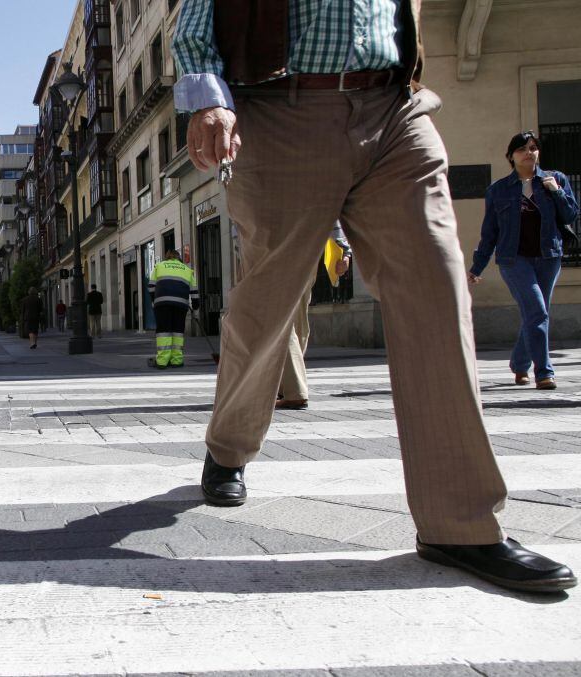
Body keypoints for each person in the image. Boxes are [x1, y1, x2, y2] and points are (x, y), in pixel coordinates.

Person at [174, 0, 574, 592]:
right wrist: (209, 98)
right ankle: (228, 448)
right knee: (267, 307)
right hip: (283, 111)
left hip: (396, 110)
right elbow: (195, 16)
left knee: (438, 292)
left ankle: (458, 523)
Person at [469, 132, 577, 391]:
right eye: (522, 149)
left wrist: (557, 192)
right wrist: (477, 267)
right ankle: (544, 372)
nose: (529, 152)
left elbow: (571, 213)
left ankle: (519, 363)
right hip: (514, 260)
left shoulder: (556, 179)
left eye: (533, 148)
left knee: (536, 313)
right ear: (511, 156)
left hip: (548, 257)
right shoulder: (498, 190)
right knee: (537, 311)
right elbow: (490, 233)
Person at [277, 223, 351, 410]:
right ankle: (286, 384)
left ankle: (294, 390)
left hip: (276, 249)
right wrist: (345, 251)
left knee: (279, 321)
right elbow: (332, 208)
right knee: (297, 319)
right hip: (307, 251)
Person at [147, 251, 199, 368]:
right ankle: (176, 360)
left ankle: (162, 361)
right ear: (178, 258)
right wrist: (195, 306)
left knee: (164, 332)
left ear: (167, 257)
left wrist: (154, 299)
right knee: (178, 332)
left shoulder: (159, 266)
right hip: (181, 304)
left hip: (162, 303)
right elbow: (194, 291)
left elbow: (151, 286)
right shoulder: (187, 269)